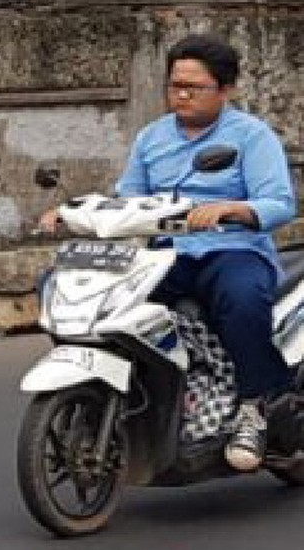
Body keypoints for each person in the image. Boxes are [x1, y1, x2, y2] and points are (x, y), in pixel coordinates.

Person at [41, 33, 297, 472]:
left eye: (193, 88)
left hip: (231, 250)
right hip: (165, 255)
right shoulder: (152, 138)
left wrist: (232, 208)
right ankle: (130, 394)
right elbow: (129, 197)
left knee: (242, 302)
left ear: (226, 89)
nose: (180, 95)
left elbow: (279, 203)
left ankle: (256, 405)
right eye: (175, 85)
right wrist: (73, 213)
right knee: (88, 298)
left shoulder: (253, 138)